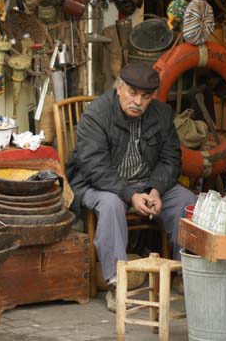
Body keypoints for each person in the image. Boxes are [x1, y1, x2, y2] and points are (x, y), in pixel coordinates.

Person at [66, 62, 196, 311]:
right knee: (112, 204)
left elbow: (171, 160)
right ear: (119, 89)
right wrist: (130, 194)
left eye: (145, 96)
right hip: (99, 184)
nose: (138, 101)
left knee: (186, 201)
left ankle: (185, 274)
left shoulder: (162, 114)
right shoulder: (97, 113)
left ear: (153, 97)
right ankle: (117, 285)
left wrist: (156, 189)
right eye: (132, 93)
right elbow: (94, 167)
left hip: (146, 183)